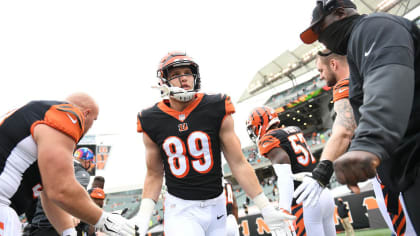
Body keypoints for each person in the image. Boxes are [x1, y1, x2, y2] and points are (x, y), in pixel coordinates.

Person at [135, 51, 295, 236]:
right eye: (176, 75)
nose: (183, 78)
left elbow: (238, 163)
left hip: (217, 205)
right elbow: (154, 173)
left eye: (187, 72)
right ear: (164, 81)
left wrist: (265, 207)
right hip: (181, 207)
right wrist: (144, 216)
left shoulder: (215, 106)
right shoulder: (151, 119)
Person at [300, 0, 420, 233]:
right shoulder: (357, 52)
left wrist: (369, 143)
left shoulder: (373, 27)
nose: (321, 39)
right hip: (405, 169)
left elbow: (389, 82)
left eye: (320, 29)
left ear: (340, 13)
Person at [0, 92, 135, 236]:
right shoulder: (67, 115)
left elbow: (50, 194)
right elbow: (61, 189)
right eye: (94, 120)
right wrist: (106, 220)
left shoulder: (38, 117)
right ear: (86, 113)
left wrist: (68, 232)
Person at [246, 106, 335, 236]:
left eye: (253, 128)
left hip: (305, 199)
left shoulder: (270, 138)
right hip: (322, 191)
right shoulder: (294, 130)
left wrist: (284, 209)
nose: (254, 133)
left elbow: (284, 175)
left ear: (261, 123)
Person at [29, 147, 94, 236]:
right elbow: (72, 194)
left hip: (37, 224)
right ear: (87, 161)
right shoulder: (81, 173)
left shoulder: (56, 167)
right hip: (57, 226)